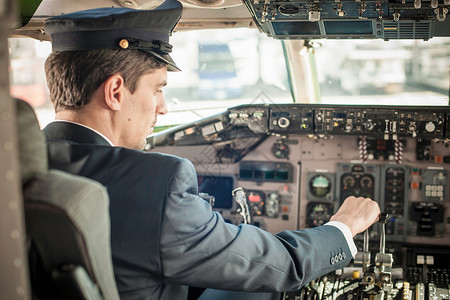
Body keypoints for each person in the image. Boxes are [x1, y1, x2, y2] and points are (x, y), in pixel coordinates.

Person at [42, 0, 381, 299]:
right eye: (158, 90)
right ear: (116, 91)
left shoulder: (19, 165)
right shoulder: (155, 182)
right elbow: (279, 266)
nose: (162, 108)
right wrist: (342, 228)